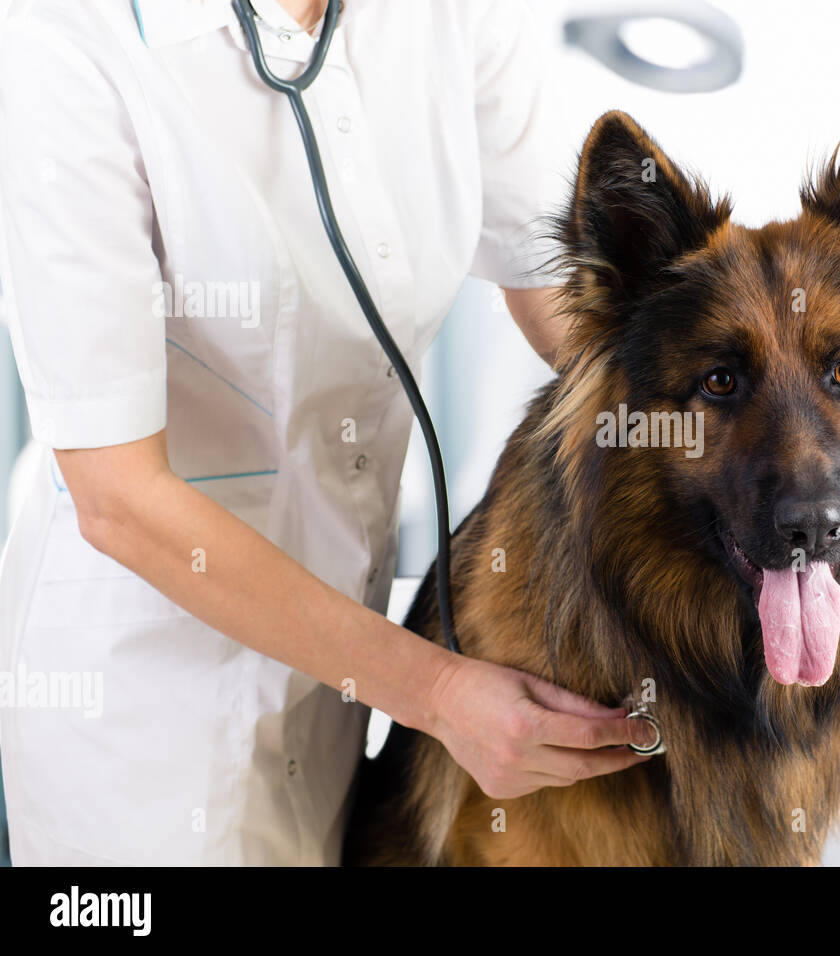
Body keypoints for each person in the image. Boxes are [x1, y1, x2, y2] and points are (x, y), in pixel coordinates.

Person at [0, 0, 654, 866]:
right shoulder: (63, 37)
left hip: (342, 663)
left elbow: (574, 311)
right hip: (143, 703)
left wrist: (734, 478)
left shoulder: (454, 18)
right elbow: (118, 497)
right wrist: (440, 690)